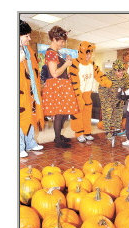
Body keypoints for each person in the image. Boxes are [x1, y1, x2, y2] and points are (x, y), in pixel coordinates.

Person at [42, 26, 79, 148]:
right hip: (56, 86)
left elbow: (60, 71)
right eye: (61, 41)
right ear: (53, 39)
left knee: (64, 113)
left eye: (64, 41)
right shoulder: (51, 53)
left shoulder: (56, 53)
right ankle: (57, 140)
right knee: (59, 113)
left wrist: (66, 66)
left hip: (61, 85)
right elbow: (54, 73)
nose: (63, 44)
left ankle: (59, 136)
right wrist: (67, 64)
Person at [68, 41, 112, 143]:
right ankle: (79, 133)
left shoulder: (92, 64)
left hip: (88, 94)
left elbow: (99, 75)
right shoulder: (75, 63)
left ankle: (87, 132)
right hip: (77, 94)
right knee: (78, 115)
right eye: (87, 53)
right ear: (81, 52)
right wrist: (78, 96)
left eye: (90, 53)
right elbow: (73, 81)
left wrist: (106, 82)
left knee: (87, 115)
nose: (88, 56)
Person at [19, 20, 44, 158]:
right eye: (26, 36)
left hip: (30, 91)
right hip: (20, 93)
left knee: (31, 116)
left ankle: (30, 143)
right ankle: (19, 146)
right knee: (21, 118)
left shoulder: (28, 51)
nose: (29, 38)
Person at [98, 60, 129, 138]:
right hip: (107, 99)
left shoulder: (126, 76)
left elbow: (127, 87)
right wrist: (104, 101)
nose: (121, 72)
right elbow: (101, 89)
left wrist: (124, 95)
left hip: (119, 99)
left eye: (122, 70)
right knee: (107, 116)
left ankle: (117, 130)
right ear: (114, 70)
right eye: (119, 71)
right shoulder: (107, 76)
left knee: (118, 115)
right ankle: (107, 132)